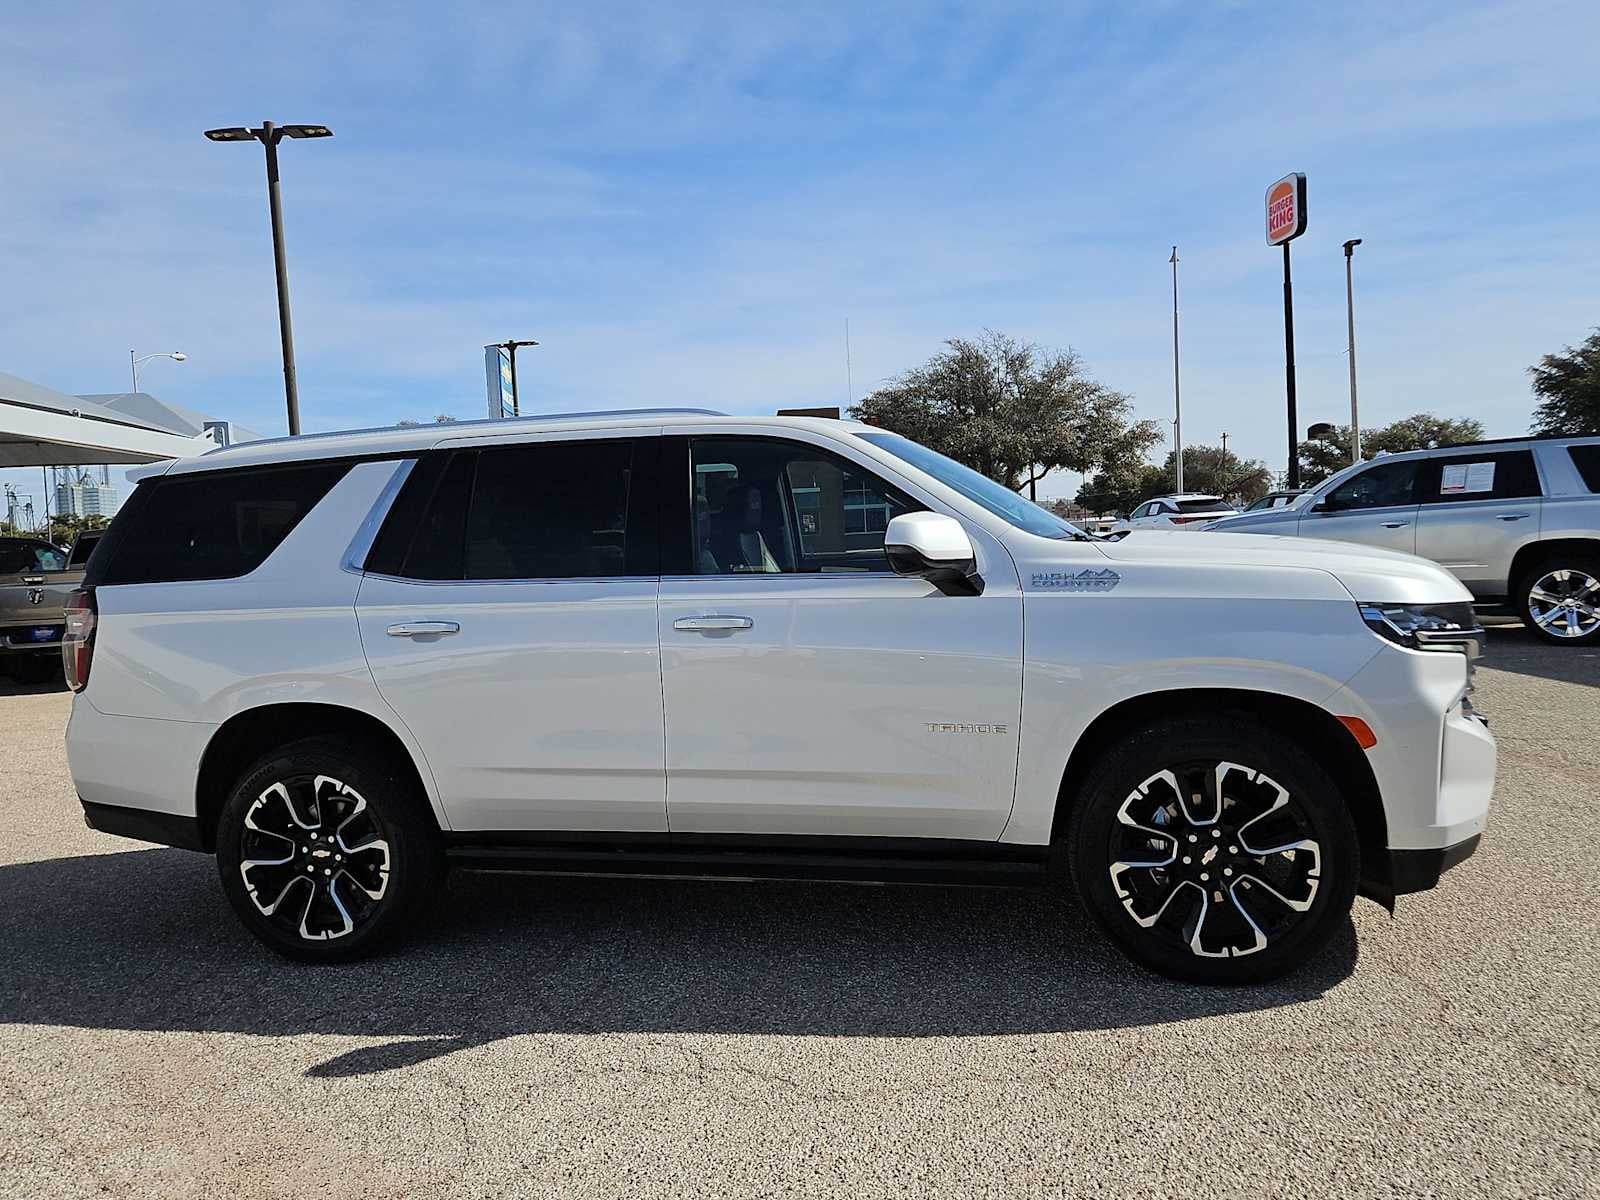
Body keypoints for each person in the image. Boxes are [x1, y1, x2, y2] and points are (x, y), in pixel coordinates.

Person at [709, 482, 780, 573]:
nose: (758, 508)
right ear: (738, 506)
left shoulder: (758, 537)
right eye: (754, 501)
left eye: (758, 501)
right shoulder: (723, 546)